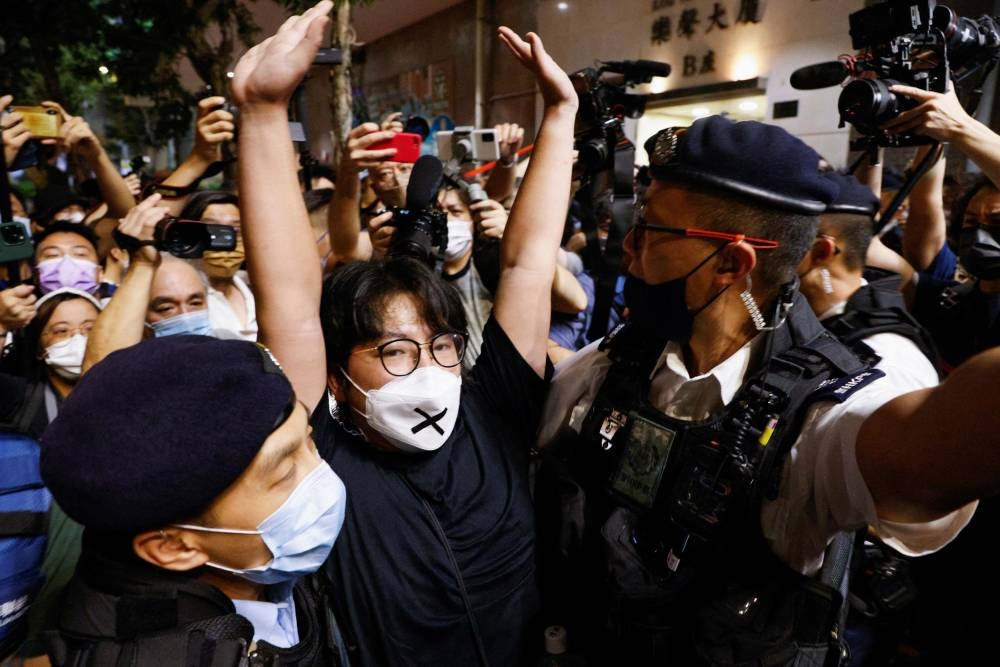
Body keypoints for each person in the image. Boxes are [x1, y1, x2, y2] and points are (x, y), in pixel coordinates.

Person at [535, 116, 986, 665]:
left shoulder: (819, 419)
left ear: (732, 262)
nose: (629, 247)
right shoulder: (627, 355)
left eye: (651, 229)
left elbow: (941, 443)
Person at [231, 7, 577, 665]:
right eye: (395, 350)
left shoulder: (495, 408)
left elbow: (529, 263)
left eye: (443, 346)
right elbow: (295, 307)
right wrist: (263, 113)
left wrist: (560, 115)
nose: (430, 371)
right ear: (336, 376)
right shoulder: (320, 454)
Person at [39, 333, 348, 666]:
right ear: (174, 546)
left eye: (310, 442)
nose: (320, 478)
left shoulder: (265, 568)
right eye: (285, 474)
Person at [179, 190, 257, 341]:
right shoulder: (180, 293)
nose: (225, 241)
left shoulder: (255, 287)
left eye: (236, 231)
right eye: (213, 231)